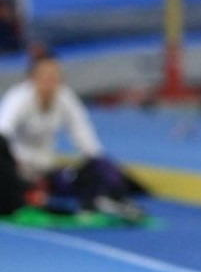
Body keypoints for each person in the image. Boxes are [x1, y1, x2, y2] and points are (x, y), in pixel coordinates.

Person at [0, 51, 145, 220]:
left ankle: (107, 200)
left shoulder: (64, 97)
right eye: (44, 76)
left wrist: (100, 165)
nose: (50, 81)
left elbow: (84, 136)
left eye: (54, 76)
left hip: (46, 173)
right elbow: (2, 134)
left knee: (99, 169)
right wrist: (14, 170)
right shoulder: (18, 98)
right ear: (32, 78)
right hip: (18, 173)